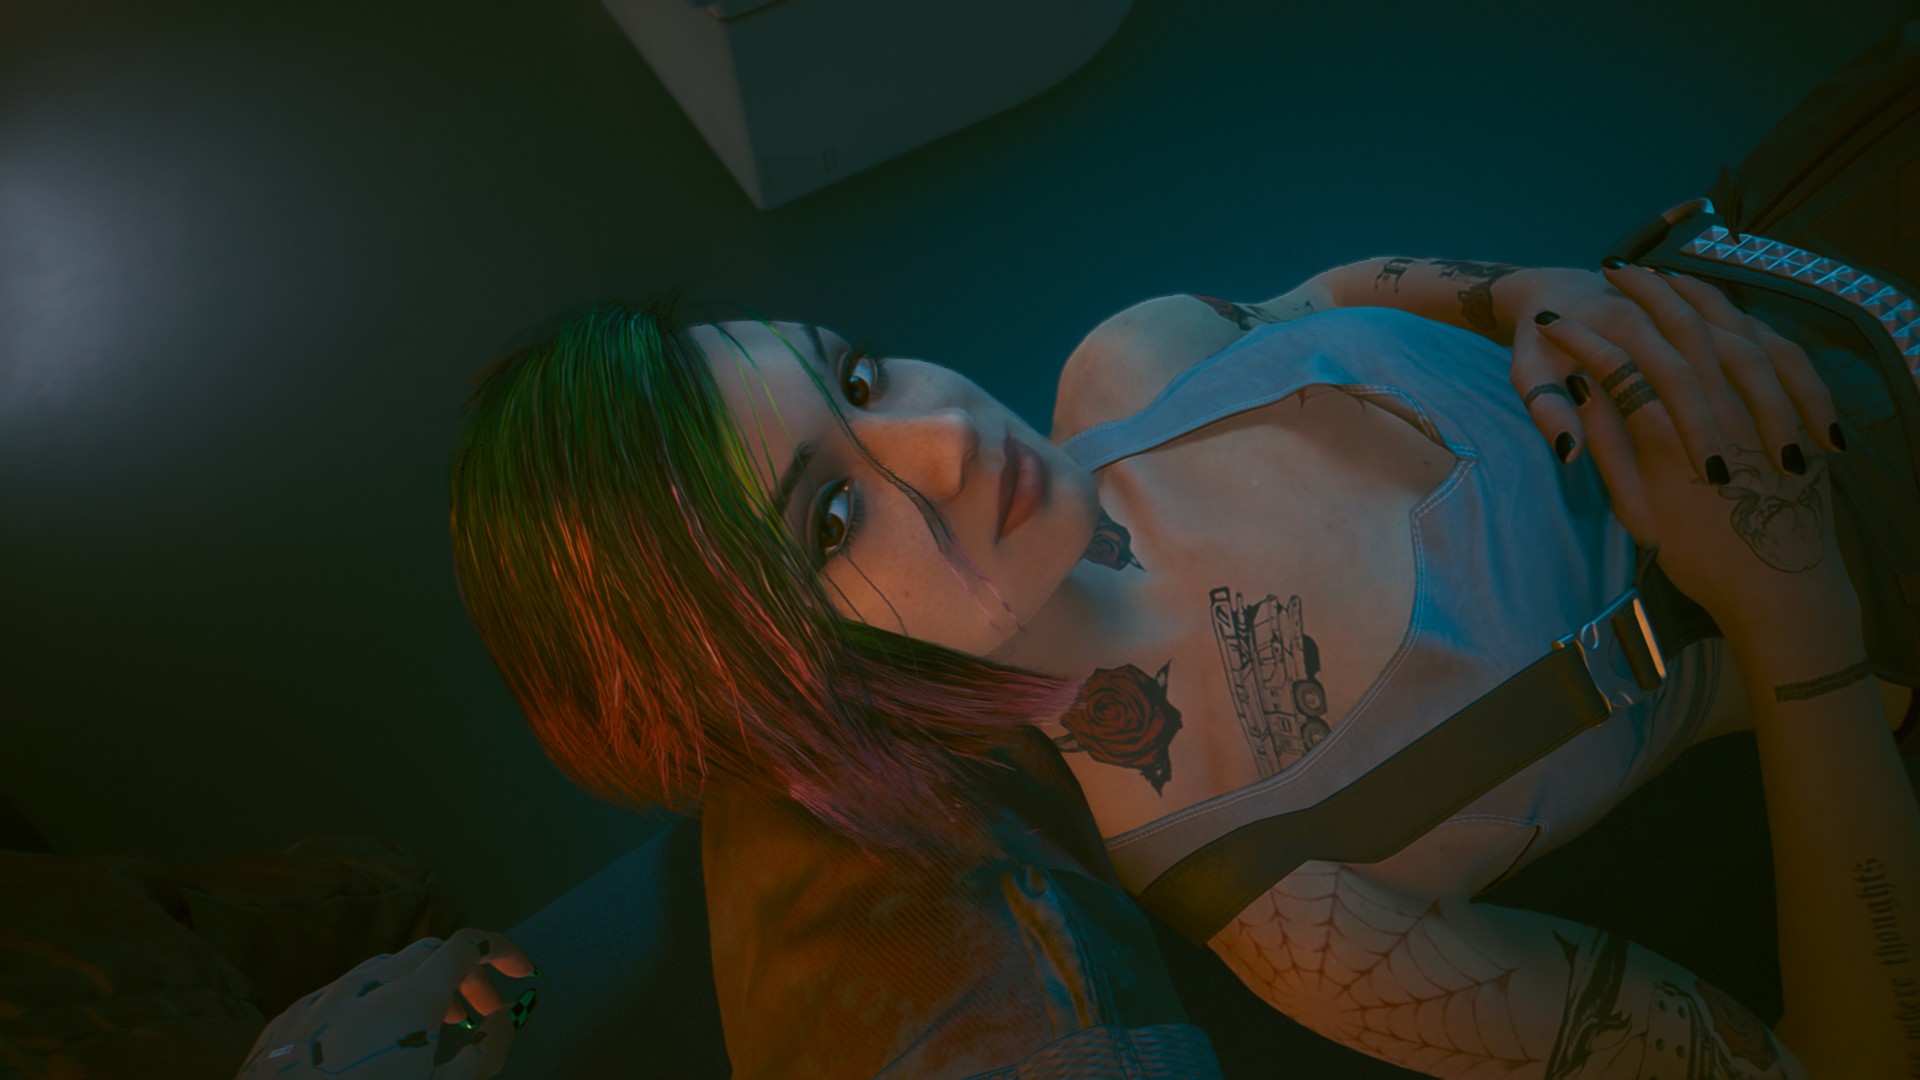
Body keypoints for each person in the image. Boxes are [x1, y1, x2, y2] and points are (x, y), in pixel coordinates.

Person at [254, 15, 1920, 1078]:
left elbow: (1336, 297)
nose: (941, 436)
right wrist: (1802, 630)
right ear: (810, 690)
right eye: (832, 515)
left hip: (1786, 221)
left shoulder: (1126, 361)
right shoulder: (1297, 900)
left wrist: (1525, 291)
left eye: (856, 374)